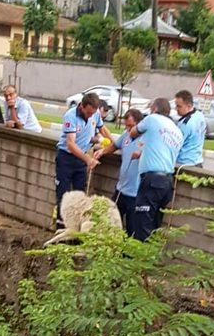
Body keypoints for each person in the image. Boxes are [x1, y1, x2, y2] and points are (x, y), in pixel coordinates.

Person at [55, 91, 114, 228]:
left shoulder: (95, 114)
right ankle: (60, 230)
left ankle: (75, 229)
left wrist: (114, 143)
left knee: (80, 197)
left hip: (80, 160)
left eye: (92, 114)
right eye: (88, 113)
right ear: (82, 106)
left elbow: (102, 129)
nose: (90, 116)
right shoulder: (71, 116)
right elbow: (70, 144)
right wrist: (88, 159)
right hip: (66, 159)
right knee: (63, 196)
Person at [130, 97, 184, 242]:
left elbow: (133, 132)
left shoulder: (152, 119)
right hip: (167, 182)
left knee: (142, 224)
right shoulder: (177, 131)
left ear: (154, 109)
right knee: (155, 224)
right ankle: (150, 258)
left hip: (152, 180)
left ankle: (139, 260)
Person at [94, 108, 143, 236]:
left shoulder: (147, 139)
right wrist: (102, 151)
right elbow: (115, 145)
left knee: (131, 228)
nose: (128, 129)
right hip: (121, 189)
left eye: (131, 126)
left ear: (139, 125)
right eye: (126, 126)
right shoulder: (126, 136)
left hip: (135, 192)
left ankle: (126, 254)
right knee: (111, 221)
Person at [174, 89, 207, 168]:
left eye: (179, 106)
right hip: (198, 161)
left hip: (184, 164)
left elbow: (175, 144)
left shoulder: (185, 124)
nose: (176, 109)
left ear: (188, 106)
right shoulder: (200, 115)